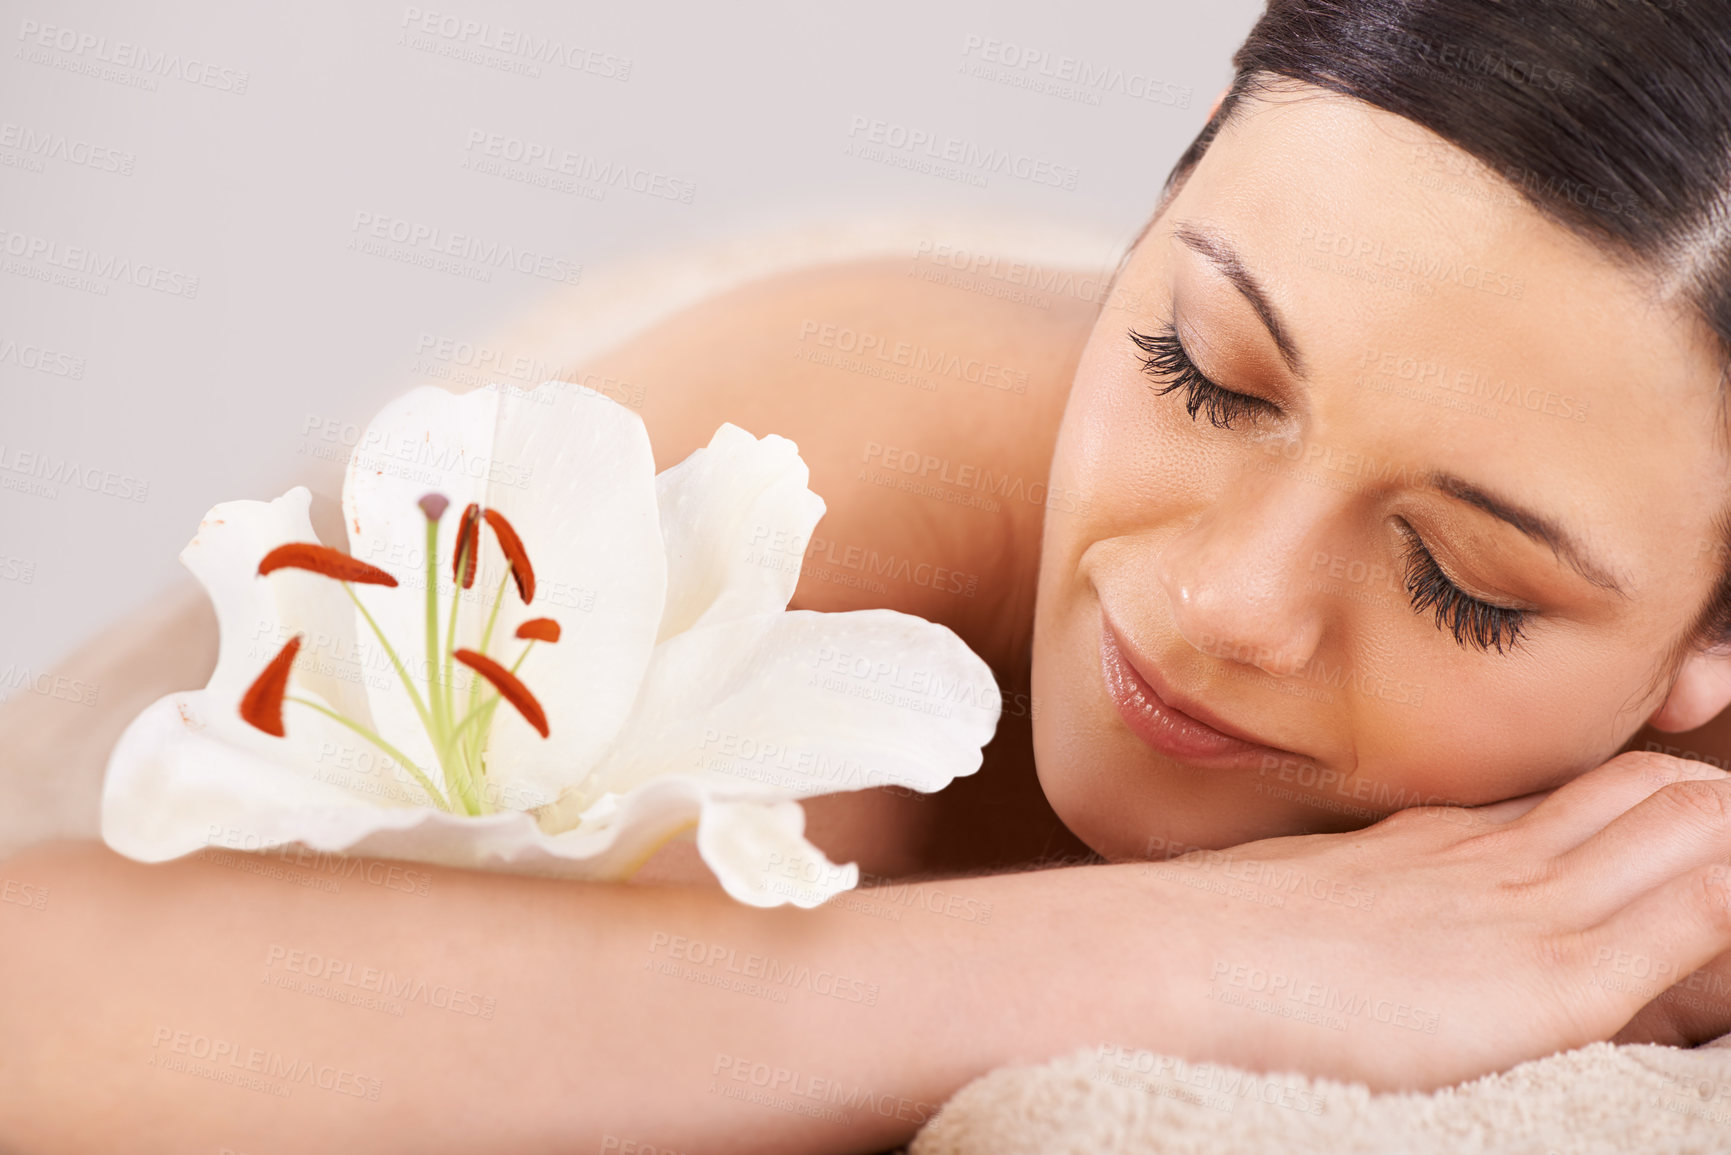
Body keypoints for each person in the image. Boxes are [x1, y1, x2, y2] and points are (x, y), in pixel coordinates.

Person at [7, 1, 1731, 1151]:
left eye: (1465, 579)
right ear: (1186, 162)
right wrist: (1199, 953)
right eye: (1207, 374)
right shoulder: (820, 460)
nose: (1225, 603)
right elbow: (48, 1002)